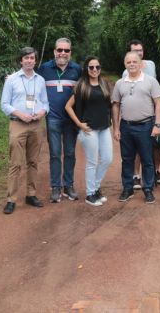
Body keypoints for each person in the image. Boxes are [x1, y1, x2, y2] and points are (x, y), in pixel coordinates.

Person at [0, 47, 49, 215]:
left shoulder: (40, 80)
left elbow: (45, 103)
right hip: (18, 124)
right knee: (15, 163)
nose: (29, 60)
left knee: (33, 162)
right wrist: (20, 114)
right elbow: (4, 104)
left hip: (35, 125)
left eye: (32, 58)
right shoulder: (12, 79)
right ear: (21, 61)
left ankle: (31, 194)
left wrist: (42, 112)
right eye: (26, 58)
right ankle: (11, 199)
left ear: (35, 61)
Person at [112, 51, 160, 204]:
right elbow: (115, 105)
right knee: (127, 159)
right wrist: (116, 128)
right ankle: (127, 188)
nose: (132, 64)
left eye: (135, 61)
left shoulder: (150, 81)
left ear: (141, 64)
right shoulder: (120, 83)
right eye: (129, 62)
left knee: (147, 159)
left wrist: (158, 124)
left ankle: (148, 189)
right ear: (125, 65)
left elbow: (159, 103)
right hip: (126, 126)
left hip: (146, 125)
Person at [36, 37, 82, 203]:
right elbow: (31, 82)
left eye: (66, 50)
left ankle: (68, 185)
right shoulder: (44, 69)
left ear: (70, 52)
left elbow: (85, 90)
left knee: (70, 153)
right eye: (60, 50)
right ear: (55, 51)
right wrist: (12, 78)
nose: (63, 53)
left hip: (71, 119)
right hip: (53, 118)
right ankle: (55, 186)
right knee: (55, 154)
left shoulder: (77, 69)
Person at [64, 56, 114, 207]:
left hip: (104, 128)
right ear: (86, 69)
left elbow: (108, 105)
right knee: (92, 162)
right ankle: (90, 194)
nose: (94, 70)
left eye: (97, 67)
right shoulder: (82, 86)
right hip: (89, 129)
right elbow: (68, 106)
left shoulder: (104, 84)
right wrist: (79, 124)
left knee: (107, 158)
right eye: (91, 67)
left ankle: (96, 187)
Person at [121, 40, 160, 188]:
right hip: (141, 114)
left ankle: (156, 171)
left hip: (154, 110)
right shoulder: (126, 72)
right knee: (140, 146)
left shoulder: (151, 64)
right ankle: (136, 175)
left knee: (158, 144)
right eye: (134, 51)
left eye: (140, 50)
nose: (138, 53)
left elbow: (155, 86)